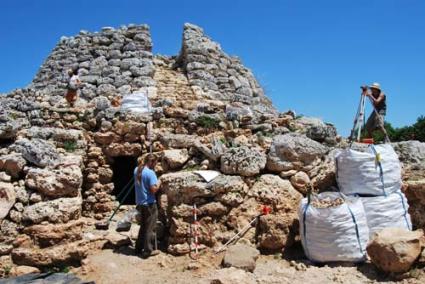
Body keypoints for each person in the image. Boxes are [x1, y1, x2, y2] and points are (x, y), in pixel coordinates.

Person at [134, 154, 160, 258]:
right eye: (155, 163)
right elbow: (153, 190)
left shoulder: (136, 170)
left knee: (143, 226)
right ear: (152, 162)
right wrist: (159, 182)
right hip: (149, 204)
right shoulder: (150, 173)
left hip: (140, 203)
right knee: (150, 228)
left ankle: (138, 248)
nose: (156, 165)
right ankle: (148, 250)